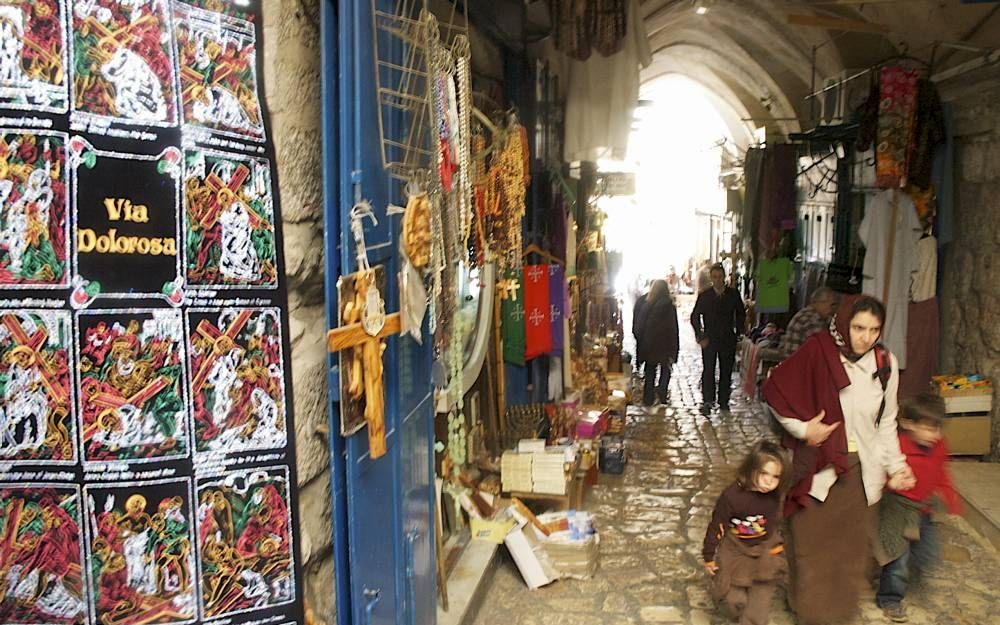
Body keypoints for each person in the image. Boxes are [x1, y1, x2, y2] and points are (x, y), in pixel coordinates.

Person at [761, 295, 915, 625]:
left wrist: (897, 466)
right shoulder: (818, 351)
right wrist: (804, 429)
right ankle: (811, 612)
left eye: (874, 330)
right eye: (859, 328)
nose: (866, 337)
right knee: (810, 550)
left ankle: (832, 616)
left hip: (861, 475)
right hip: (818, 470)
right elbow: (775, 391)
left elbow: (887, 423)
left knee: (848, 558)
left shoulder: (885, 365)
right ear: (845, 324)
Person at [875, 393, 962, 623]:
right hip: (898, 508)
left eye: (939, 428)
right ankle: (890, 598)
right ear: (908, 424)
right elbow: (879, 473)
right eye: (929, 428)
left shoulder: (939, 446)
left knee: (928, 553)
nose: (936, 435)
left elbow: (941, 473)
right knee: (897, 557)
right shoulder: (896, 447)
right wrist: (888, 483)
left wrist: (950, 498)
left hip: (924, 508)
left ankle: (911, 572)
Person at [702, 441, 788, 625]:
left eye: (775, 476)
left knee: (759, 606)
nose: (769, 481)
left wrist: (775, 548)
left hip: (764, 550)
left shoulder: (775, 496)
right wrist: (709, 555)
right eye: (764, 473)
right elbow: (717, 525)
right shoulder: (732, 496)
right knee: (734, 600)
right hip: (736, 548)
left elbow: (775, 523)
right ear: (751, 468)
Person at [691, 264, 745, 414]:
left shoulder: (733, 294)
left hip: (727, 338)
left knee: (726, 370)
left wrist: (738, 333)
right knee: (708, 370)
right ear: (711, 278)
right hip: (710, 338)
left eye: (720, 277)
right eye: (714, 277)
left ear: (724, 277)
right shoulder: (705, 296)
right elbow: (695, 316)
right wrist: (700, 336)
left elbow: (741, 314)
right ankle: (708, 400)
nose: (718, 280)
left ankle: (723, 401)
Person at [638, 280, 678, 406]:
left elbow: (639, 327)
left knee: (650, 370)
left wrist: (641, 342)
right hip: (665, 345)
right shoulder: (670, 307)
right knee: (665, 370)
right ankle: (662, 394)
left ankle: (648, 398)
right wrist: (674, 349)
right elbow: (673, 329)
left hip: (649, 344)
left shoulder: (646, 305)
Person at [779, 286, 840, 356]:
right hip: (800, 364)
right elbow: (824, 348)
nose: (834, 309)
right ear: (819, 303)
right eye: (832, 305)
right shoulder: (810, 320)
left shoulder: (810, 314)